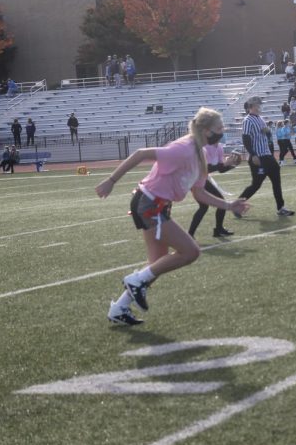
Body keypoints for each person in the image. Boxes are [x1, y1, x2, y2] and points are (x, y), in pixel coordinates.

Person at [96, 107, 249, 325]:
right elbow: (141, 154)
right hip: (148, 203)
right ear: (206, 131)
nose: (222, 131)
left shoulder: (200, 154)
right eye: (219, 128)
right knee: (190, 251)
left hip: (157, 204)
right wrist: (111, 180)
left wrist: (228, 205)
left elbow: (199, 192)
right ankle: (135, 281)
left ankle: (119, 309)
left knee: (157, 264)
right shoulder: (183, 149)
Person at [236, 96, 295, 216]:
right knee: (256, 185)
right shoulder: (248, 120)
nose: (260, 107)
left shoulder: (260, 119)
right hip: (258, 157)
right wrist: (253, 154)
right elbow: (246, 139)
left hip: (267, 155)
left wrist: (267, 133)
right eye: (258, 105)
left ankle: (281, 207)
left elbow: (266, 133)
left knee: (276, 181)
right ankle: (236, 206)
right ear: (251, 106)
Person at [188, 141, 242, 238]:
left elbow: (221, 169)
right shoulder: (206, 147)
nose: (221, 132)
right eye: (218, 129)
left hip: (201, 178)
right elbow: (206, 168)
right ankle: (216, 230)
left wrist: (232, 165)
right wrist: (225, 163)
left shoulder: (220, 147)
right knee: (215, 204)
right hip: (194, 178)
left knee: (206, 206)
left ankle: (216, 230)